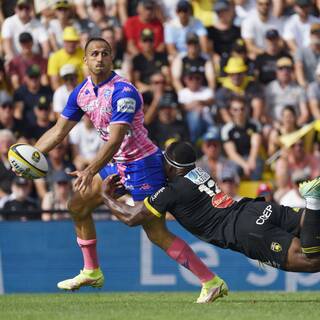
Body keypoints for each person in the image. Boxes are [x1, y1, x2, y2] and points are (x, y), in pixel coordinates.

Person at [24, 37, 220, 303]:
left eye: (105, 53)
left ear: (112, 58)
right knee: (77, 205)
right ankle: (91, 271)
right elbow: (59, 131)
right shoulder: (81, 92)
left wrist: (90, 170)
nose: (100, 58)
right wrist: (31, 155)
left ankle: (211, 281)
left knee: (156, 233)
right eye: (94, 53)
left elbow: (115, 138)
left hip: (143, 164)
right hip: (116, 164)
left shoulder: (123, 91)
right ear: (85, 60)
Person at [103, 141, 320, 280]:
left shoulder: (172, 191)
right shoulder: (200, 173)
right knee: (310, 226)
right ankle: (313, 205)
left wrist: (105, 196)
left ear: (172, 167)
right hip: (256, 208)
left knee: (311, 261)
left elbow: (132, 218)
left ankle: (313, 201)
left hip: (246, 230)